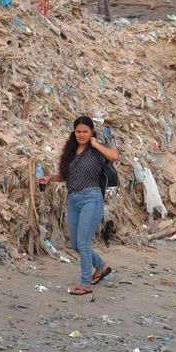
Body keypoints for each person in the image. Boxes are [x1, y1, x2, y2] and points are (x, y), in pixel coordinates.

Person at [38, 116, 120, 296]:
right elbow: (67, 176)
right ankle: (101, 267)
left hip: (92, 198)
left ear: (91, 132)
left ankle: (85, 283)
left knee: (83, 242)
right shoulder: (71, 152)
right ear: (74, 133)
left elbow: (115, 156)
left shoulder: (97, 150)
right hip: (73, 199)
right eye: (78, 132)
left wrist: (96, 144)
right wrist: (50, 178)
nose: (81, 135)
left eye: (85, 131)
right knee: (76, 244)